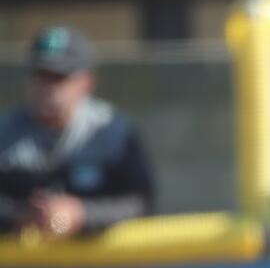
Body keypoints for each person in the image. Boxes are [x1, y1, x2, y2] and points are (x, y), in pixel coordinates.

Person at [0, 26, 154, 237]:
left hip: (98, 266)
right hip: (20, 267)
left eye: (59, 76)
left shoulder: (113, 132)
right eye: (41, 75)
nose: (48, 87)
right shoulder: (6, 133)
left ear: (86, 82)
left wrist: (82, 214)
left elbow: (141, 202)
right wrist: (20, 215)